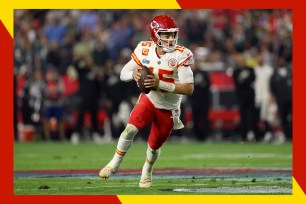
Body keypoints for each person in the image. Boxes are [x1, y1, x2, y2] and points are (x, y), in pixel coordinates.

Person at [99, 15, 194, 188]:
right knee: (129, 130)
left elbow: (188, 88)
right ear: (154, 34)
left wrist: (160, 83)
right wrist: (133, 75)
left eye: (172, 34)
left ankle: (147, 170)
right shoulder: (144, 49)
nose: (170, 38)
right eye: (165, 35)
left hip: (169, 108)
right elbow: (123, 73)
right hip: (149, 99)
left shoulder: (182, 54)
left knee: (154, 146)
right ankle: (114, 163)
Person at [233, 54, 260, 142]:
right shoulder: (236, 71)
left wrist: (244, 82)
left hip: (251, 96)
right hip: (241, 97)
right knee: (243, 117)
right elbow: (237, 83)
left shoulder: (250, 69)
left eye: (242, 61)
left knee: (253, 116)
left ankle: (256, 135)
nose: (241, 63)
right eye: (239, 61)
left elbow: (253, 79)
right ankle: (243, 137)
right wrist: (246, 82)